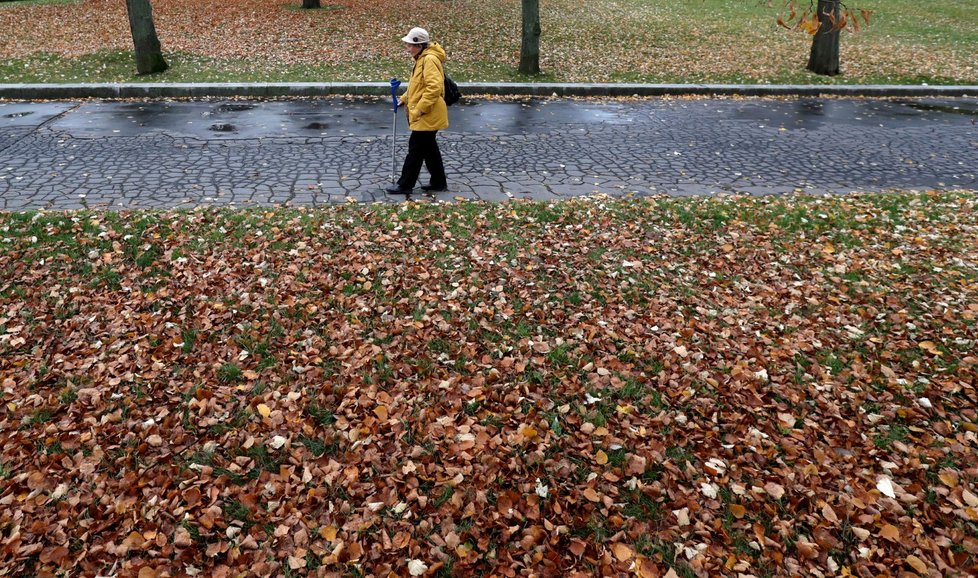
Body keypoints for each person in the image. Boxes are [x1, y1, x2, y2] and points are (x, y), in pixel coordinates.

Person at [386, 27, 449, 194]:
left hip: (428, 113)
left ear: (419, 45)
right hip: (428, 112)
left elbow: (433, 88)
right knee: (429, 150)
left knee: (415, 149)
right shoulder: (421, 59)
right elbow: (417, 86)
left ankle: (405, 184)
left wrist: (420, 109)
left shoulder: (428, 60)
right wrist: (404, 99)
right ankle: (438, 182)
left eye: (409, 45)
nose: (407, 48)